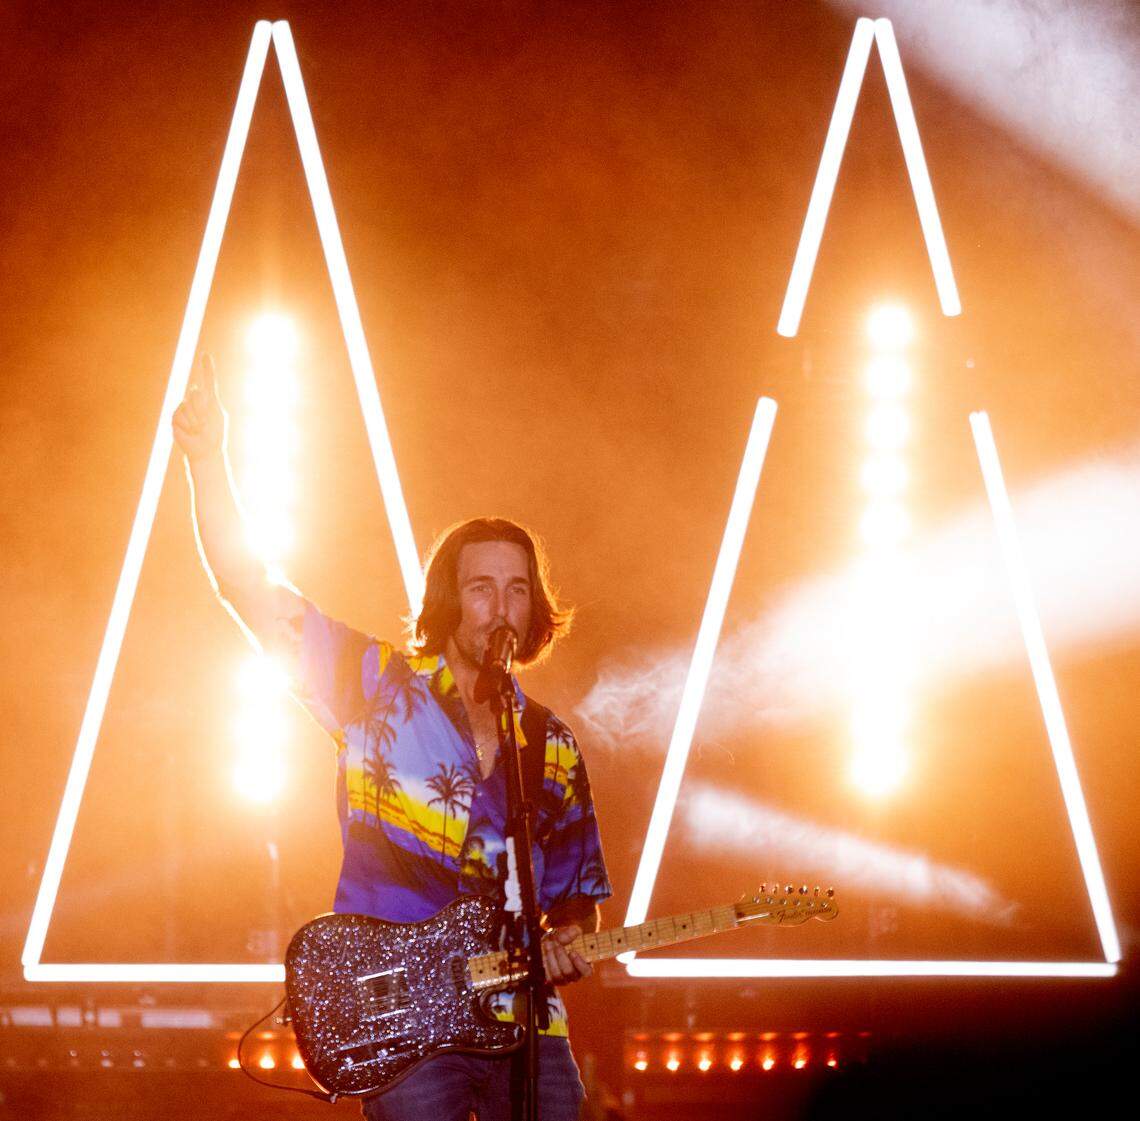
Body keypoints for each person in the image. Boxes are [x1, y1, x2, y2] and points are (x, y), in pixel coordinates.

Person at [173, 352, 611, 1120]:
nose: (501, 607)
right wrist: (208, 463)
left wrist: (570, 943)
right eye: (481, 588)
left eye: (517, 589)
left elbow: (577, 904)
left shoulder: (553, 747)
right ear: (449, 600)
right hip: (403, 1027)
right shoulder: (375, 688)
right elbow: (251, 590)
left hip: (526, 1028)